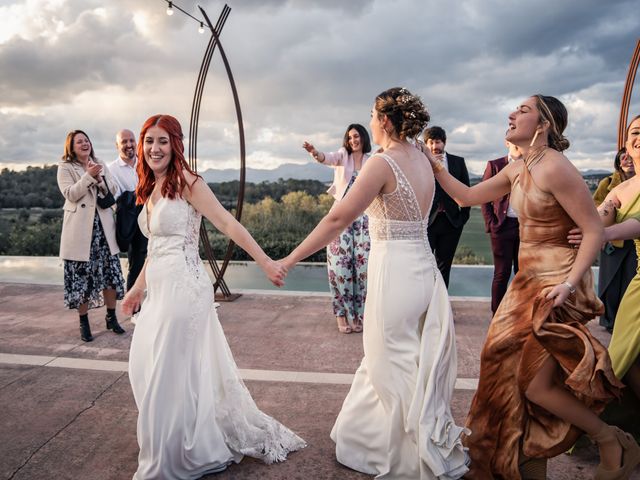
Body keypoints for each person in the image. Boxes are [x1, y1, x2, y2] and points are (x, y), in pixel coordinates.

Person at [425, 95, 640, 479]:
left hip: (555, 286)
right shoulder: (518, 166)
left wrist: (570, 285)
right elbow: (467, 196)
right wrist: (435, 165)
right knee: (503, 372)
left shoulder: (556, 167)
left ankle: (610, 440)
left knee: (536, 386)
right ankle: (525, 462)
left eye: (523, 111)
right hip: (525, 284)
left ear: (544, 125)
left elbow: (593, 229)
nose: (511, 114)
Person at [281, 88, 469, 479]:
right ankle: (390, 434)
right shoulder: (423, 159)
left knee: (388, 359)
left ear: (384, 120)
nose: (368, 121)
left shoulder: (381, 164)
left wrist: (289, 258)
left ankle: (410, 450)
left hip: (393, 272)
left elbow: (337, 220)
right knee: (406, 356)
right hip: (425, 271)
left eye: (371, 115)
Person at [122, 114, 305, 479]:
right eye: (149, 141)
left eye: (162, 141)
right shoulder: (153, 186)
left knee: (166, 371)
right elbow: (157, 248)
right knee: (145, 365)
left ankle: (171, 453)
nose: (154, 148)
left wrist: (266, 262)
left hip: (184, 291)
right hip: (160, 289)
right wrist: (136, 289)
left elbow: (226, 223)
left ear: (176, 145)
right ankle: (179, 435)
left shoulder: (188, 182)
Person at [57, 130, 126, 342]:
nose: (85, 144)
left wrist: (99, 179)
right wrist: (88, 176)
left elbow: (113, 190)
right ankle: (83, 322)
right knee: (82, 280)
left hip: (104, 231)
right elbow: (70, 194)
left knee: (111, 275)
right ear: (71, 146)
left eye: (86, 140)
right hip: (80, 233)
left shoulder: (100, 163)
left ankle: (111, 317)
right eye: (80, 142)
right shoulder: (65, 167)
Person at [302, 124, 372, 334]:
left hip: (365, 221)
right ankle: (341, 315)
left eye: (357, 136)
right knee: (340, 269)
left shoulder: (372, 159)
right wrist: (315, 153)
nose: (353, 140)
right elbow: (328, 157)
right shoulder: (343, 156)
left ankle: (360, 315)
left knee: (364, 270)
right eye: (350, 137)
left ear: (364, 137)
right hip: (341, 218)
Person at [592, 114, 640, 402]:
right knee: (627, 361)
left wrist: (605, 235)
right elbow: (600, 218)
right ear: (625, 144)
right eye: (635, 131)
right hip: (638, 289)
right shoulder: (620, 189)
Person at [592, 147, 637, 331]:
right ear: (618, 162)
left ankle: (624, 320)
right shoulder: (608, 183)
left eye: (629, 158)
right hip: (612, 242)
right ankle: (609, 320)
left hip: (633, 241)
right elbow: (596, 204)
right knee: (610, 281)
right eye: (622, 158)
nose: (627, 161)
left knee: (628, 281)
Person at [424, 126, 470, 287]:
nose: (434, 146)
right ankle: (426, 304)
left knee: (444, 266)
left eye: (437, 142)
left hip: (452, 223)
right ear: (426, 144)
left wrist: (462, 219)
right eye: (430, 142)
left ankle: (441, 306)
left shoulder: (458, 162)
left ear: (444, 143)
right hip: (426, 223)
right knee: (425, 266)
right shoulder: (420, 162)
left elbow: (466, 189)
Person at [481, 141, 522, 315]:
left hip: (526, 227)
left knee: (523, 274)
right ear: (507, 143)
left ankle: (520, 315)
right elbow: (483, 196)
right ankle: (497, 316)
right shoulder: (495, 165)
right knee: (501, 273)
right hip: (502, 226)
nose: (518, 145)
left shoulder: (532, 164)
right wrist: (492, 223)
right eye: (514, 142)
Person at [107, 129, 148, 292]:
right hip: (132, 219)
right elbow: (114, 199)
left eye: (132, 140)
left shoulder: (146, 163)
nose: (129, 145)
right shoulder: (111, 169)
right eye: (124, 142)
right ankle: (134, 310)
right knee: (137, 264)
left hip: (152, 215)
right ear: (117, 145)